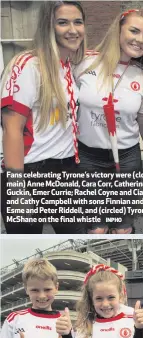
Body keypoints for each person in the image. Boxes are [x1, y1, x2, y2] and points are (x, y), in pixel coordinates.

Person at [1, 1, 86, 234]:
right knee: (24, 239)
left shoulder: (68, 66)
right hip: (31, 172)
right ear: (48, 26)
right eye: (63, 22)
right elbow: (12, 129)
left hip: (67, 170)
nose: (72, 29)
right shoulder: (29, 65)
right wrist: (17, 189)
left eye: (78, 22)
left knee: (76, 234)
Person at [74, 9, 143, 234]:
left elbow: (142, 124)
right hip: (89, 157)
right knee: (97, 229)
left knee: (123, 228)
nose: (140, 40)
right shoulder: (84, 62)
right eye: (134, 30)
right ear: (118, 30)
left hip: (127, 157)